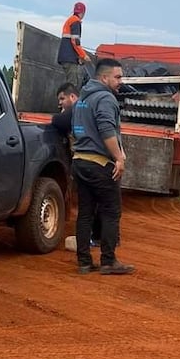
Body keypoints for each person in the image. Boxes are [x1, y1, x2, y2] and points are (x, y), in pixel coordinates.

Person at [71, 58, 134, 275]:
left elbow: (79, 130)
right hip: (99, 164)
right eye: (117, 77)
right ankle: (108, 261)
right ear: (104, 77)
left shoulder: (82, 99)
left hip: (80, 161)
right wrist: (119, 158)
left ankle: (84, 262)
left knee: (85, 213)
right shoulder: (106, 98)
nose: (120, 81)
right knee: (110, 211)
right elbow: (107, 130)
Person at [50, 82, 102, 249]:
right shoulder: (92, 106)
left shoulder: (78, 108)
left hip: (89, 161)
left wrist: (58, 116)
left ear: (73, 97)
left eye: (62, 98)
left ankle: (92, 239)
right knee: (100, 201)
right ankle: (102, 237)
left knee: (89, 203)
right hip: (100, 161)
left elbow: (58, 121)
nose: (60, 103)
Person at [57, 2, 88, 88]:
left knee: (71, 83)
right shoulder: (76, 21)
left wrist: (78, 58)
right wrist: (83, 55)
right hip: (69, 59)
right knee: (72, 85)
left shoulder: (70, 20)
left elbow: (70, 42)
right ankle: (70, 101)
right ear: (83, 12)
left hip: (66, 57)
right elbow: (75, 41)